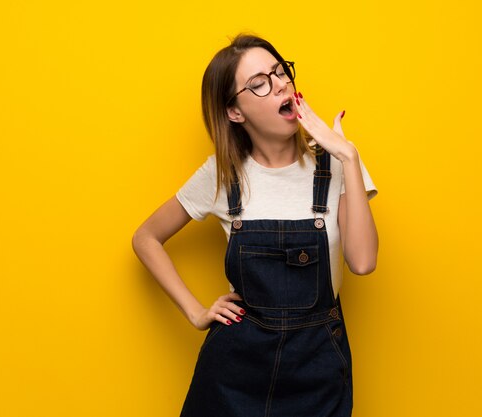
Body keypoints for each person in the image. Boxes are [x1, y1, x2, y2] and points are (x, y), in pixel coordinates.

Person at [132, 34, 378, 417]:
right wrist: (197, 313)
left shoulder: (337, 164)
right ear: (235, 112)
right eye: (260, 83)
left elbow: (362, 262)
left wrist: (347, 155)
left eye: (281, 72)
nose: (281, 83)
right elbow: (146, 238)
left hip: (317, 369)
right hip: (234, 372)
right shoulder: (221, 175)